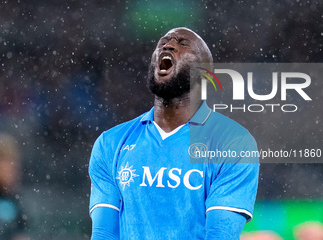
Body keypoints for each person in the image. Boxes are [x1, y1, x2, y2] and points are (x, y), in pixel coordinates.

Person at [89, 27, 259, 240]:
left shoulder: (233, 143)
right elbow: (104, 234)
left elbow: (220, 235)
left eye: (182, 44)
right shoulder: (110, 143)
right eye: (164, 42)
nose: (167, 45)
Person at [0, 133, 29, 240]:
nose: (12, 168)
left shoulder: (15, 201)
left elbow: (20, 235)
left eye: (14, 163)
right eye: (6, 162)